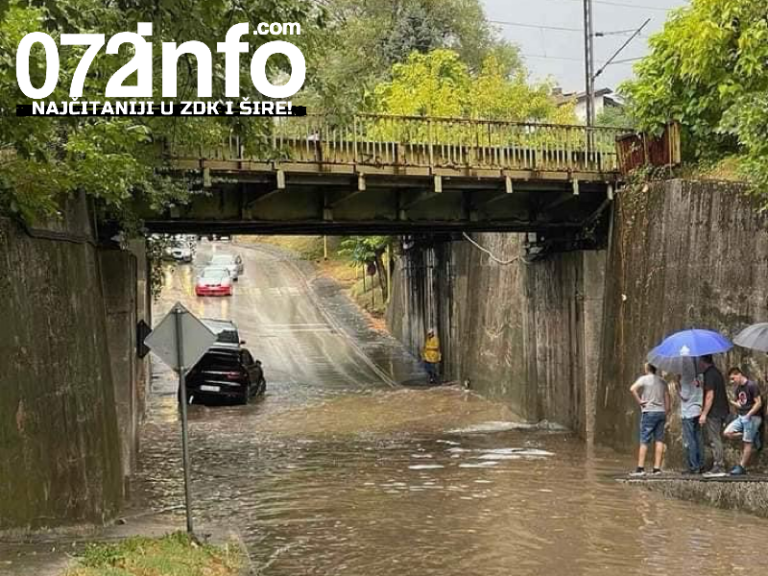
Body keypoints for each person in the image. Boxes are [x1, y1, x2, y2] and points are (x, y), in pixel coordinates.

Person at [629, 363, 670, 476]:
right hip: (661, 412)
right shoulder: (663, 381)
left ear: (647, 369)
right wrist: (666, 411)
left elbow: (632, 389)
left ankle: (640, 468)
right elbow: (667, 398)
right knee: (659, 440)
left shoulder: (644, 379)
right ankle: (657, 468)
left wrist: (640, 401)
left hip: (649, 412)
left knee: (644, 440)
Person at [723, 367, 763, 476]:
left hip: (753, 417)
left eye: (733, 378)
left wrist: (749, 415)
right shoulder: (738, 389)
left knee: (747, 443)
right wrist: (732, 402)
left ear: (739, 374)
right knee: (727, 433)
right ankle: (752, 435)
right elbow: (741, 404)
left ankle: (742, 467)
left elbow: (758, 403)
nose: (732, 381)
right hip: (742, 417)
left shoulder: (751, 385)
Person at [698, 355, 729, 476]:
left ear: (702, 361)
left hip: (714, 411)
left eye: (699, 361)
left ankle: (719, 466)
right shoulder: (716, 373)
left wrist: (704, 414)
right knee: (716, 438)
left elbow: (710, 395)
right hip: (721, 410)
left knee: (714, 439)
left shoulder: (709, 374)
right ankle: (718, 465)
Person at [674, 359, 704, 474]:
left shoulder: (686, 378)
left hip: (688, 412)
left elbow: (685, 396)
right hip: (698, 409)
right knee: (698, 438)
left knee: (690, 440)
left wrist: (677, 386)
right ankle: (701, 465)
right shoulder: (700, 376)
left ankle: (693, 466)